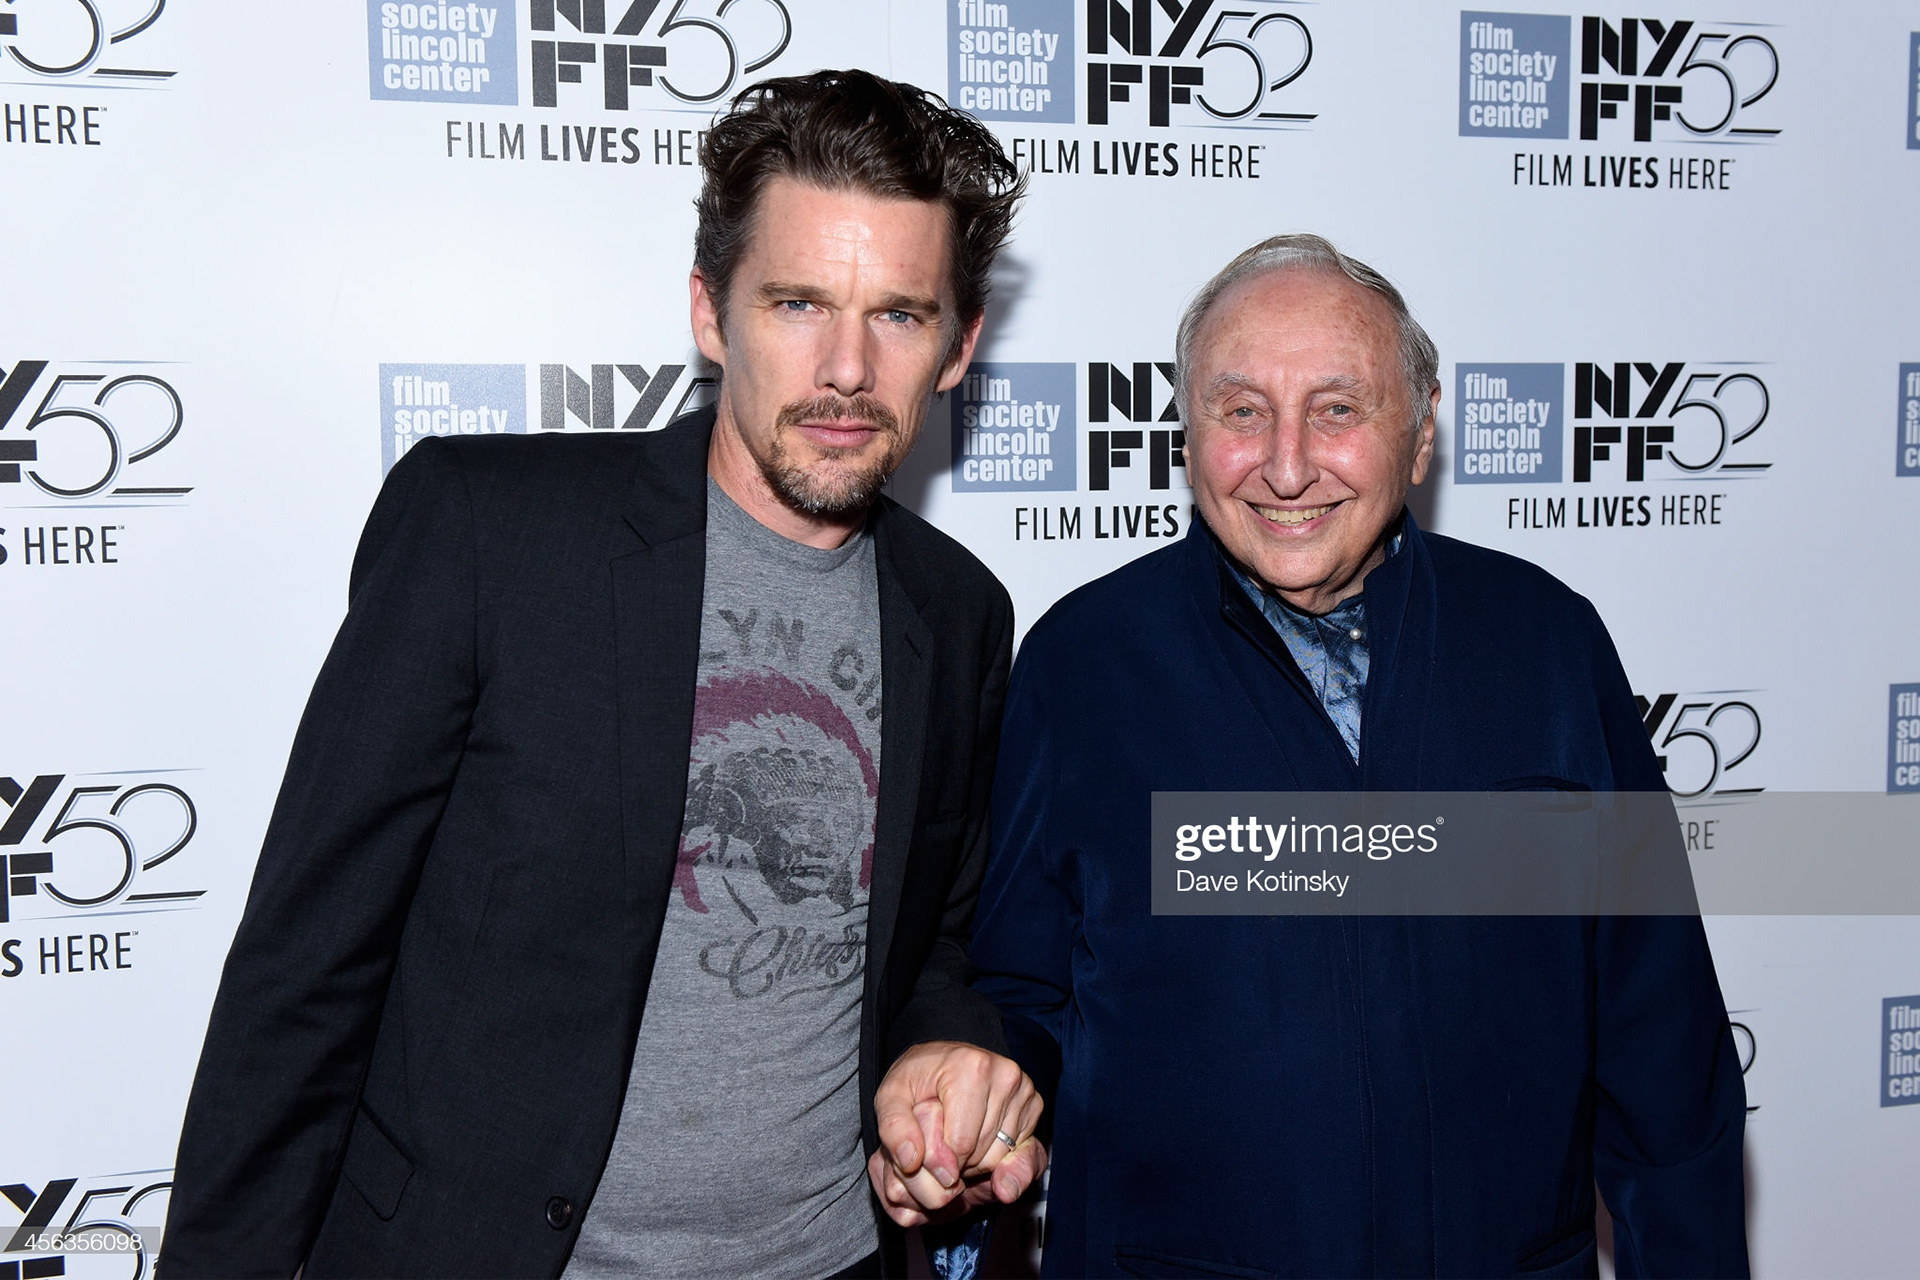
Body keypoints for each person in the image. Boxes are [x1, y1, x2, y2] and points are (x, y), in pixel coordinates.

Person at [163, 70, 1044, 1280]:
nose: (847, 367)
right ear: (709, 312)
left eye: (898, 313)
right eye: (796, 302)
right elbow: (306, 965)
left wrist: (946, 1049)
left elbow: (926, 942)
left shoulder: (959, 610)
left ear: (958, 346)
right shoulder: (488, 532)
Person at [971, 234, 1749, 1277]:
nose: (1288, 464)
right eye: (1241, 411)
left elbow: (1664, 1043)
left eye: (1338, 409)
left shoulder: (1547, 644)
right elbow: (1017, 995)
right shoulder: (1083, 662)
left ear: (1421, 434)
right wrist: (973, 1112)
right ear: (1187, 436)